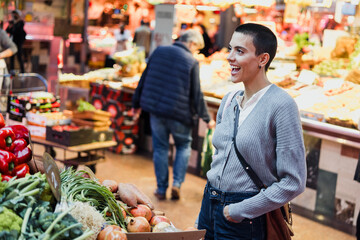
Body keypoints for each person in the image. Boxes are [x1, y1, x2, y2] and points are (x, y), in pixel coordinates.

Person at [197, 23, 306, 239]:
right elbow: (220, 156)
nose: (230, 57)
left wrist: (239, 210)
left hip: (246, 217)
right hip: (210, 204)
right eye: (230, 49)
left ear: (262, 59)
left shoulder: (281, 105)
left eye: (240, 51)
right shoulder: (229, 100)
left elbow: (294, 182)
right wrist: (208, 207)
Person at [132, 29, 215, 201]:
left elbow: (144, 78)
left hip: (156, 110)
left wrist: (135, 103)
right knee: (183, 146)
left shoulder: (159, 51)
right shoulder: (191, 61)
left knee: (160, 148)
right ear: (191, 43)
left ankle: (161, 189)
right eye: (196, 49)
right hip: (179, 113)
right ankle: (177, 184)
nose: (196, 52)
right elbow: (197, 94)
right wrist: (206, 118)